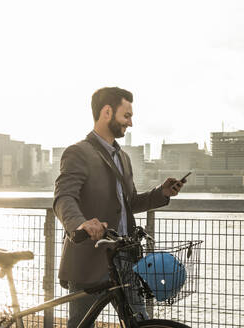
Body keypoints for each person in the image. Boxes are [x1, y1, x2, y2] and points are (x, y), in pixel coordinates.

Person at [53, 87, 184, 328]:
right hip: (89, 257)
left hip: (124, 257)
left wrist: (161, 193)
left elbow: (129, 203)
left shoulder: (123, 158)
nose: (131, 123)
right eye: (126, 115)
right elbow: (63, 198)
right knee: (80, 324)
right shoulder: (78, 153)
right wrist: (79, 223)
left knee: (140, 321)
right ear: (106, 112)